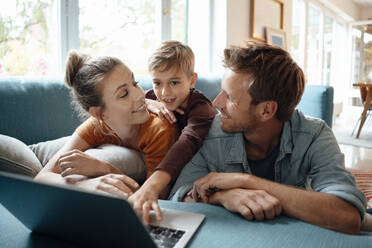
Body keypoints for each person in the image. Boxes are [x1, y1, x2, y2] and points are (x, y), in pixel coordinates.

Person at [169, 42, 366, 235]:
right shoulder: (212, 132)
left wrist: (246, 181)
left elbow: (347, 216)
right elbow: (177, 196)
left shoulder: (314, 135)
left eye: (229, 97)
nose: (217, 102)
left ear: (266, 110)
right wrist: (221, 196)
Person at [35, 51, 178, 224]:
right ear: (99, 113)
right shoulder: (96, 126)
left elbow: (152, 200)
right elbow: (42, 177)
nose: (141, 95)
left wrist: (103, 169)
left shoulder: (159, 130)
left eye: (135, 83)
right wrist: (82, 185)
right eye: (124, 94)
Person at [130, 41, 217, 220]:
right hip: (161, 157)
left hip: (195, 160)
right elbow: (131, 103)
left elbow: (187, 143)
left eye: (174, 82)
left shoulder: (201, 108)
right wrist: (148, 102)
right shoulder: (154, 97)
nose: (164, 92)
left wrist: (151, 185)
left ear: (192, 80)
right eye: (157, 83)